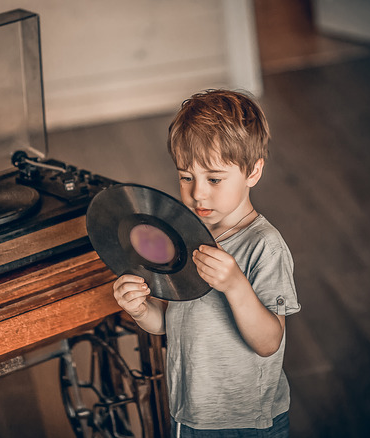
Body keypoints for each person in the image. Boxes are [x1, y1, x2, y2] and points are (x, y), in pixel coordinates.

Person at [113, 89, 301, 437]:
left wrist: (235, 285)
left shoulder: (264, 246)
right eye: (186, 177)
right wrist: (140, 310)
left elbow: (269, 342)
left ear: (253, 171)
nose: (198, 193)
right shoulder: (183, 240)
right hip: (190, 414)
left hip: (248, 421)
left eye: (214, 179)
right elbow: (170, 324)